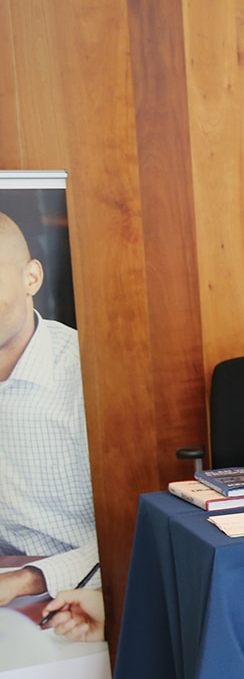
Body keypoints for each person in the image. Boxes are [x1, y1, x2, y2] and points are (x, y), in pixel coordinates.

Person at [0, 211, 100, 608]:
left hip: (90, 589)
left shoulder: (87, 372)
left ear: (32, 278)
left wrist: (28, 580)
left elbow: (136, 528)